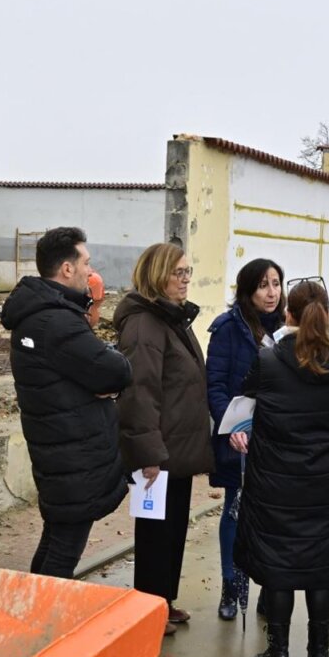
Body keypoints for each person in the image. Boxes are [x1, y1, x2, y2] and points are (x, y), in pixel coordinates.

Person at [232, 278, 329, 657]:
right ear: (327, 314)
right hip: (326, 483)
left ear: (288, 314)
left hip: (276, 483)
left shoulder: (268, 360)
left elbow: (242, 401)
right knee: (321, 568)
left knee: (279, 567)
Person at [0, 227, 133, 579]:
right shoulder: (56, 322)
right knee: (63, 552)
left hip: (60, 451)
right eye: (86, 263)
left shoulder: (39, 314)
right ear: (67, 268)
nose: (91, 271)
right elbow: (115, 371)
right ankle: (45, 613)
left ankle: (33, 606)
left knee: (55, 540)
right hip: (73, 455)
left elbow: (94, 370)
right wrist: (106, 377)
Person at [115, 243, 214, 636]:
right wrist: (149, 454)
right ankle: (148, 609)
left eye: (188, 271)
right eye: (178, 273)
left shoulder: (171, 318)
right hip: (158, 454)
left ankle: (163, 603)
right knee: (156, 536)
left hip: (177, 450)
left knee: (172, 532)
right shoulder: (144, 325)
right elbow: (140, 394)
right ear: (157, 275)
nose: (186, 280)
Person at [206, 258, 286, 620]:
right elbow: (215, 385)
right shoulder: (229, 328)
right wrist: (233, 426)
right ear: (247, 290)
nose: (271, 292)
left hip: (277, 442)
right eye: (263, 285)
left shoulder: (286, 328)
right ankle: (231, 586)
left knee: (273, 518)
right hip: (238, 439)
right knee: (235, 513)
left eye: (276, 284)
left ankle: (269, 589)